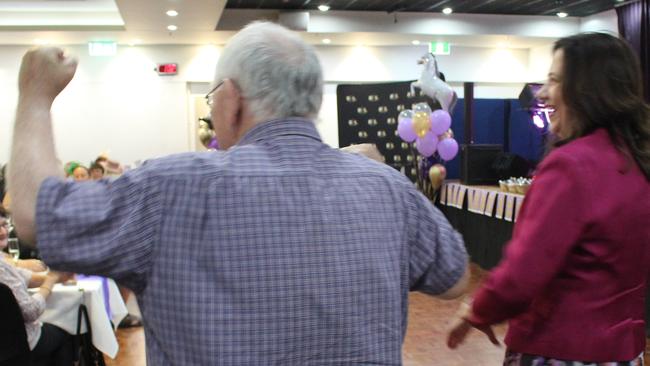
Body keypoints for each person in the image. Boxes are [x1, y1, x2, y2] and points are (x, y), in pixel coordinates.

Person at [9, 22, 469, 365]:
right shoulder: (386, 187)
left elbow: (33, 215)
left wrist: (35, 94)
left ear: (231, 99)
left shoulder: (171, 187)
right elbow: (455, 280)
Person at [447, 32, 650, 365]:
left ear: (586, 90)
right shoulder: (638, 160)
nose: (541, 93)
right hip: (623, 352)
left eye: (553, 81)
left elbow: (524, 271)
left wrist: (477, 311)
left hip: (561, 349)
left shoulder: (571, 165)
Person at [0, 205, 74, 366]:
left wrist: (55, 277)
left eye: (4, 225)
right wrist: (49, 282)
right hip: (17, 344)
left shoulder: (3, 261)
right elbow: (31, 311)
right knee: (67, 333)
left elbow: (21, 276)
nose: (3, 231)